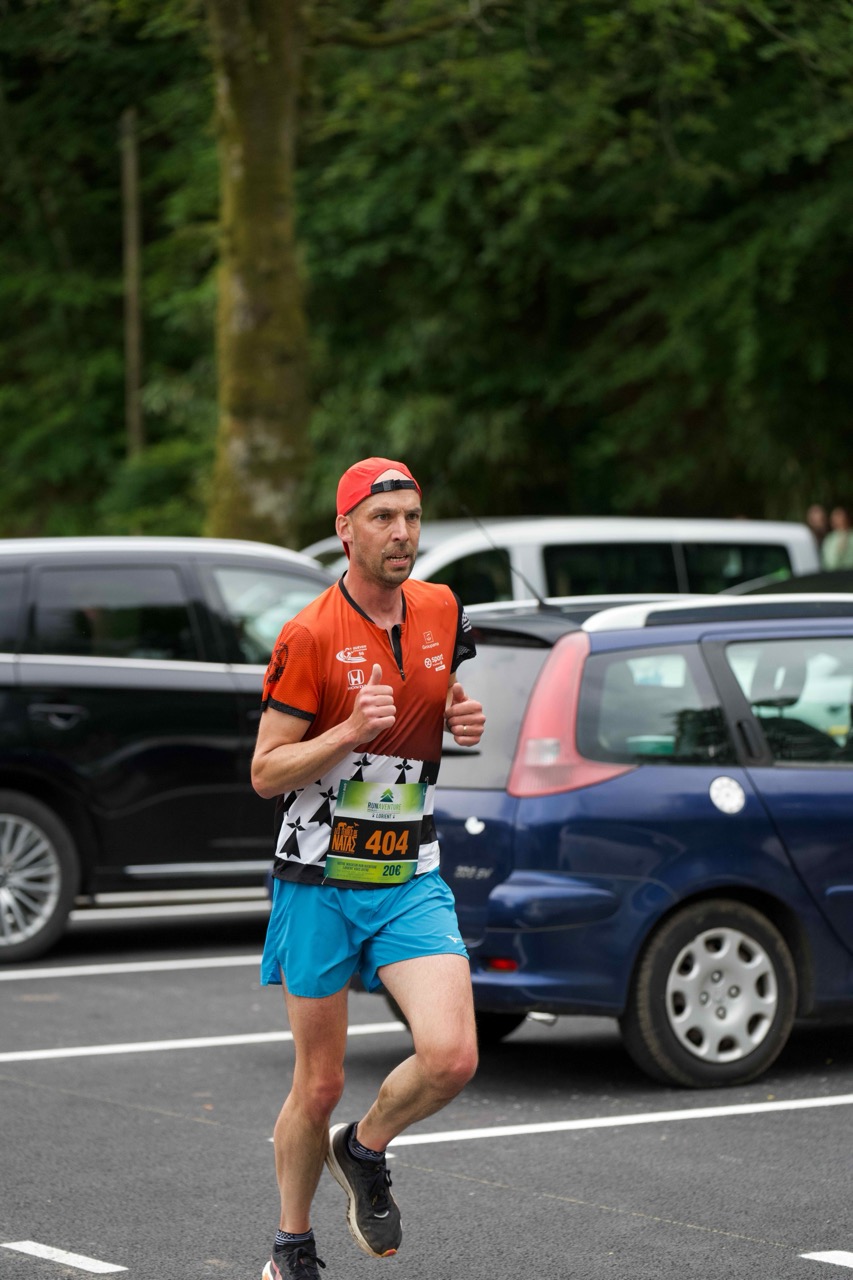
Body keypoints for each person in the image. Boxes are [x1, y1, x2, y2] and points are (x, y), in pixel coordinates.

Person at [252, 457, 486, 1280]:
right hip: (317, 879)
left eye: (412, 517)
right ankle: (291, 1246)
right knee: (316, 1085)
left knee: (452, 1055)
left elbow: (433, 689)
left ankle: (363, 1147)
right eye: (383, 518)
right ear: (345, 529)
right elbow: (266, 771)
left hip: (408, 872)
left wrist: (457, 713)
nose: (401, 533)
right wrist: (346, 731)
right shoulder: (310, 633)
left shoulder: (442, 608)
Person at [821, 505, 853, 570]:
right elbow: (830, 563)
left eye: (841, 517)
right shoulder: (829, 539)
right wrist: (839, 550)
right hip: (836, 573)